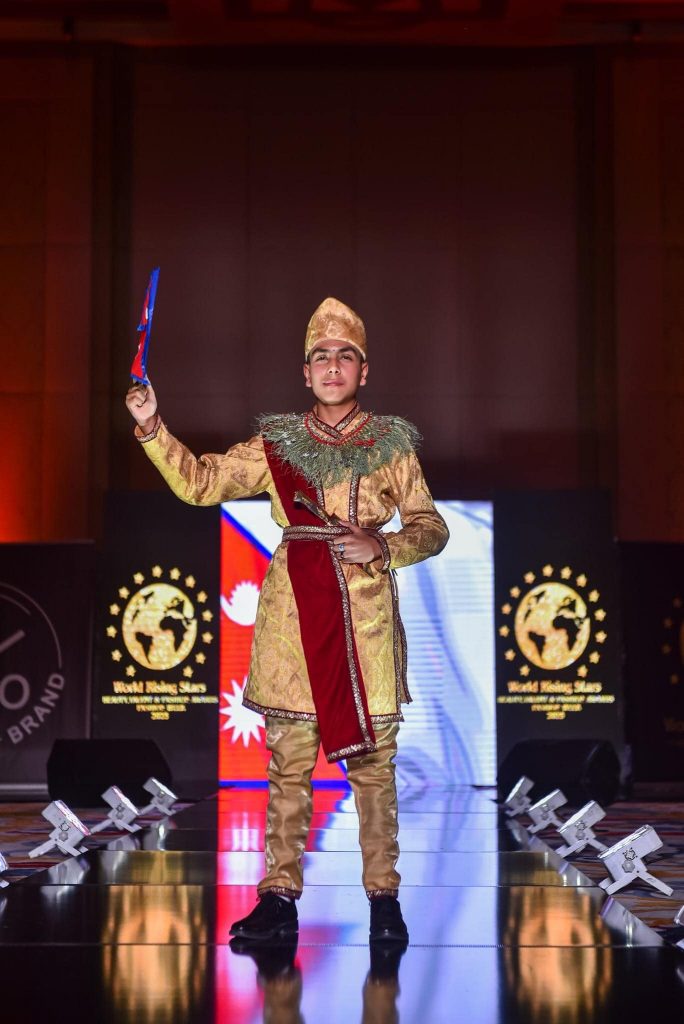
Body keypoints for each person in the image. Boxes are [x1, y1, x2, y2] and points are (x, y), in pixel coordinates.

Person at [125, 297, 449, 944]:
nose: (333, 367)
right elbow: (200, 482)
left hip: (365, 626)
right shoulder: (276, 443)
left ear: (364, 370)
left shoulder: (392, 446)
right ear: (305, 373)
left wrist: (384, 546)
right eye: (321, 357)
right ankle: (278, 900)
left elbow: (430, 527)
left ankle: (384, 902)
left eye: (345, 357)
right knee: (289, 765)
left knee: (374, 768)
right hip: (292, 619)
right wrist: (152, 425)